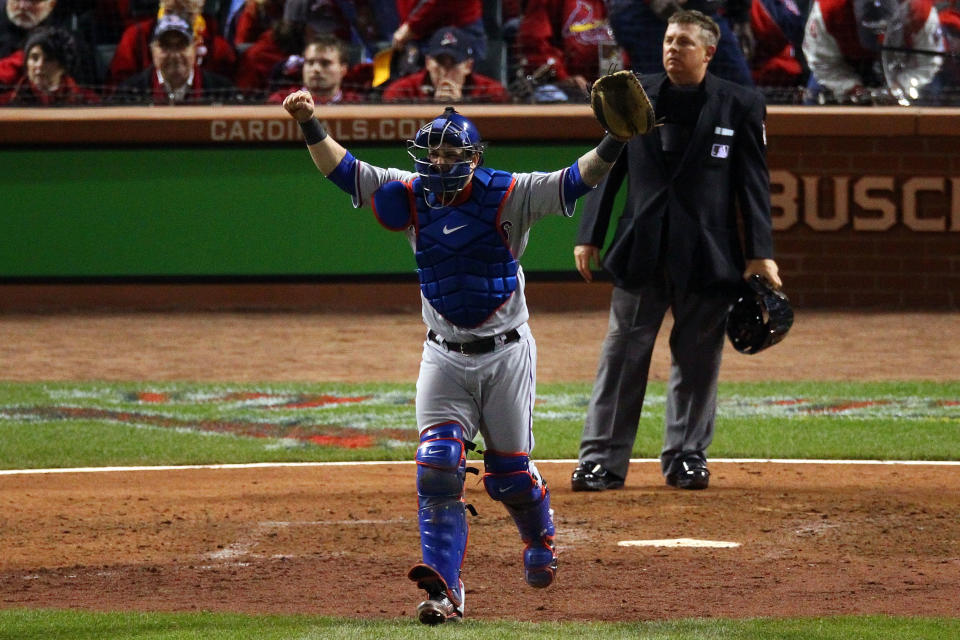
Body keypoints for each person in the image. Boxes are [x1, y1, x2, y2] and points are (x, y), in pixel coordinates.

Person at [281, 80, 643, 624]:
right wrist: (309, 122)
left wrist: (614, 140)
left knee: (508, 477)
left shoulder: (509, 192)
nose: (440, 162)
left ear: (474, 157)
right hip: (443, 354)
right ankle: (444, 593)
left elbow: (575, 180)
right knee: (436, 467)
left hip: (506, 354)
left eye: (452, 153)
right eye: (434, 152)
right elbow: (343, 170)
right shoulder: (410, 191)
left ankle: (539, 534)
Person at [569, 10, 782, 494]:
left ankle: (687, 456)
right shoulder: (632, 93)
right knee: (622, 356)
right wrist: (590, 233)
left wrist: (760, 253)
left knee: (698, 358)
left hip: (709, 254)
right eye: (668, 40)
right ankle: (601, 460)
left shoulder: (740, 103)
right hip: (642, 247)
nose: (671, 49)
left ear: (709, 51)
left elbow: (753, 185)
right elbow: (608, 164)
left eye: (684, 42)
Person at [801, 0, 943, 104]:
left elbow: (928, 62)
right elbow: (822, 62)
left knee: (934, 92)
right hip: (846, 64)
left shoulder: (920, 11)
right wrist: (852, 89)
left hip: (903, 65)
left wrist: (899, 88)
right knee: (814, 94)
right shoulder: (827, 11)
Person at [604, 0, 755, 86]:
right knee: (658, 97)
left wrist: (741, 15)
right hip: (647, 17)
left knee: (741, 91)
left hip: (703, 12)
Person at [111, 14, 238, 104]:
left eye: (181, 45)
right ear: (152, 50)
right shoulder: (129, 93)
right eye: (166, 46)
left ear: (194, 48)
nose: (175, 55)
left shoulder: (223, 91)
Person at [107, 0, 236, 86]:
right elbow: (119, 93)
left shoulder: (220, 49)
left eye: (187, 13)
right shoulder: (134, 38)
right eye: (170, 11)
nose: (177, 19)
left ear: (200, 9)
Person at [515, 0, 620, 103]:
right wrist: (563, 77)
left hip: (608, 85)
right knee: (551, 96)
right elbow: (534, 42)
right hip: (561, 87)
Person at [381, 24, 508, 103]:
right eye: (440, 62)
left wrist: (462, 108)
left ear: (468, 66)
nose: (445, 72)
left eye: (453, 63)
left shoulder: (491, 92)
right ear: (428, 63)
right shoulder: (403, 91)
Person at [0, 25, 98, 104]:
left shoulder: (89, 102)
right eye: (34, 58)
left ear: (63, 66)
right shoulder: (7, 104)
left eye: (49, 59)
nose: (39, 65)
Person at [266, 33, 364, 103]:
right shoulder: (281, 101)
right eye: (310, 62)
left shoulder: (357, 104)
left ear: (343, 69)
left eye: (325, 63)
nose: (316, 69)